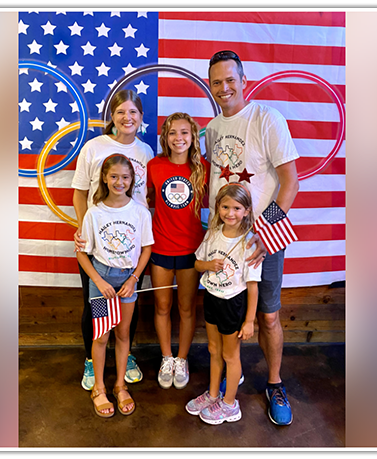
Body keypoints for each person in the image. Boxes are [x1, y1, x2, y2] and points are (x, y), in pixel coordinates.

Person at [204, 50, 300, 426]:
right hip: (222, 240)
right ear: (210, 87)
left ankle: (275, 383)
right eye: (217, 82)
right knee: (225, 313)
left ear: (243, 80)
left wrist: (266, 232)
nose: (224, 88)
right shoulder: (211, 129)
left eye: (231, 80)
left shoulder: (267, 118)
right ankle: (231, 372)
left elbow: (290, 182)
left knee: (268, 314)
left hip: (261, 240)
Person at [71, 90, 154, 391]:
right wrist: (85, 229)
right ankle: (92, 361)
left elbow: (148, 197)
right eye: (120, 112)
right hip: (98, 245)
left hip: (132, 247)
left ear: (141, 118)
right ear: (112, 117)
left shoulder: (146, 152)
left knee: (127, 300)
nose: (127, 118)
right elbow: (80, 192)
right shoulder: (94, 147)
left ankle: (125, 353)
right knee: (94, 303)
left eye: (133, 112)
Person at [76, 154, 154, 417]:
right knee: (101, 336)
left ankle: (120, 384)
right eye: (114, 177)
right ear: (104, 179)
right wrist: (97, 281)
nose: (119, 182)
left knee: (123, 334)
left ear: (132, 180)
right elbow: (82, 253)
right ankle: (99, 387)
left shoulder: (140, 212)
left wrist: (134, 279)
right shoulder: (94, 214)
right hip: (101, 281)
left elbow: (146, 249)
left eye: (125, 177)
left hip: (127, 282)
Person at [185, 183, 260, 425]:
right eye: (225, 206)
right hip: (211, 297)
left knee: (230, 355)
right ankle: (213, 394)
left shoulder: (249, 244)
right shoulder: (213, 233)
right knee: (213, 350)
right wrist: (208, 266)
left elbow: (252, 286)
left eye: (237, 208)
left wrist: (249, 321)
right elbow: (198, 264)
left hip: (232, 304)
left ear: (247, 211)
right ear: (217, 207)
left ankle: (229, 404)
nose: (230, 213)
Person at [146, 112, 210, 390]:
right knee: (162, 306)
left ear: (193, 137)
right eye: (173, 133)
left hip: (191, 250)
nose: (179, 138)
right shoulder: (154, 165)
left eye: (184, 132)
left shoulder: (203, 168)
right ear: (165, 137)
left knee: (186, 307)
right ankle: (166, 357)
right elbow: (146, 199)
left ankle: (182, 358)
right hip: (160, 246)